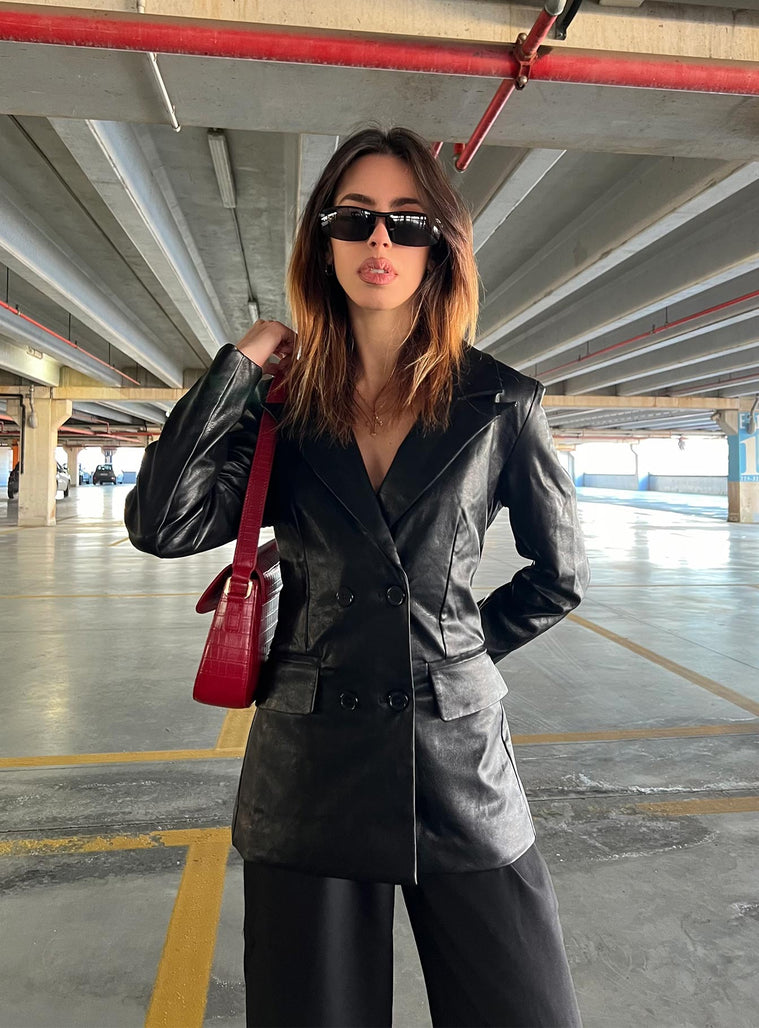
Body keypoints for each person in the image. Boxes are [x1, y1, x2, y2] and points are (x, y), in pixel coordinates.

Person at [125, 125, 589, 1028]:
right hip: (310, 765)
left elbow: (557, 575)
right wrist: (238, 367)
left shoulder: (500, 402)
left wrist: (450, 656)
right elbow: (163, 524)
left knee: (524, 1006)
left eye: (406, 220)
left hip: (456, 763)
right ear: (325, 240)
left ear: (438, 246)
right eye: (355, 217)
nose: (380, 238)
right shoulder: (279, 405)